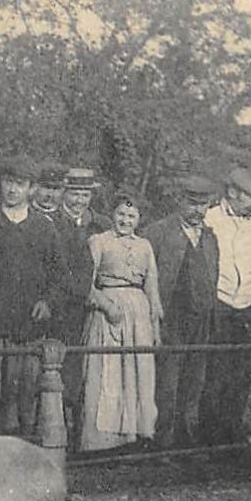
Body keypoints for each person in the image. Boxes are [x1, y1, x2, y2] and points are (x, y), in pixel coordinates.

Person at [0, 154, 66, 436]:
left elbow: (60, 276)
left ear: (31, 188)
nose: (12, 189)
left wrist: (48, 302)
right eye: (8, 182)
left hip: (28, 329)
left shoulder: (44, 228)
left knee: (23, 400)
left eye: (20, 184)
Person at [79, 192, 162, 451]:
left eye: (131, 216)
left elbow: (152, 287)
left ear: (138, 220)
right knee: (107, 372)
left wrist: (155, 326)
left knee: (137, 373)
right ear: (112, 215)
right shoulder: (98, 241)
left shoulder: (145, 246)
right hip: (109, 314)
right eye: (121, 215)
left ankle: (134, 436)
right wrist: (106, 305)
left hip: (139, 317)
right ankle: (99, 440)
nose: (125, 220)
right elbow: (86, 284)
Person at [144, 171, 221, 450]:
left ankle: (187, 441)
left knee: (194, 383)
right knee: (167, 384)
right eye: (192, 203)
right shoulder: (159, 232)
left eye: (203, 204)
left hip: (200, 321)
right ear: (180, 201)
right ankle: (162, 442)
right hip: (170, 320)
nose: (197, 210)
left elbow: (213, 277)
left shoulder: (211, 239)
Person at [202, 165, 251, 441]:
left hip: (247, 305)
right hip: (220, 303)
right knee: (216, 372)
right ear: (232, 192)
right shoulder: (211, 218)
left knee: (242, 374)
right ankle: (212, 435)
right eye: (250, 196)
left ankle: (233, 433)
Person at [50, 166, 106, 440]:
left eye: (84, 194)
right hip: (61, 310)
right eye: (74, 193)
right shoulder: (50, 222)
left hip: (93, 312)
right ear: (64, 193)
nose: (79, 201)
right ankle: (58, 429)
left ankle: (85, 432)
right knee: (61, 368)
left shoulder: (102, 225)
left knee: (89, 370)